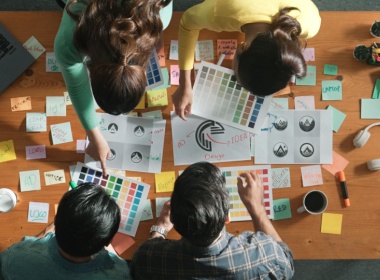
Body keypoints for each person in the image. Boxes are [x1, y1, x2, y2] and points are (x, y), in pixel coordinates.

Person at [54, 0, 173, 175]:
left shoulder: (163, 15)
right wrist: (94, 137)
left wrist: (155, 29)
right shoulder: (68, 41)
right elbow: (77, 87)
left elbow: (77, 82)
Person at [131, 162, 294, 279]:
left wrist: (160, 228)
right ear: (227, 217)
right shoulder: (268, 257)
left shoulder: (147, 259)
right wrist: (257, 208)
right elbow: (286, 261)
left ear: (172, 216)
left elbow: (142, 265)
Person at [172, 0, 321, 120]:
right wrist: (184, 82)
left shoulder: (309, 25)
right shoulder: (221, 13)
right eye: (235, 71)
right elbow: (187, 22)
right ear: (242, 47)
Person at [0, 183, 131, 279]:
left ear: (56, 222)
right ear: (108, 241)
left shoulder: (14, 257)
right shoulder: (119, 273)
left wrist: (51, 228)